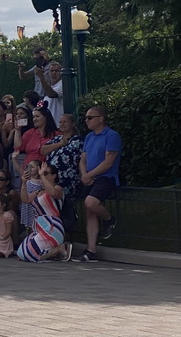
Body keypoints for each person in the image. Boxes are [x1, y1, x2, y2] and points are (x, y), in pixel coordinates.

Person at [79, 106, 123, 262]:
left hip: (106, 177)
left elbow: (108, 162)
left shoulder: (112, 136)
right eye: (86, 118)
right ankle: (91, 249)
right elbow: (83, 159)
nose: (87, 121)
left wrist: (89, 175)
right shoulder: (89, 137)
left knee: (91, 203)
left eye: (90, 117)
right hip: (90, 177)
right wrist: (85, 175)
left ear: (101, 118)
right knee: (89, 211)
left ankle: (109, 218)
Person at [17, 161, 70, 262]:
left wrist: (41, 175)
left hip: (52, 226)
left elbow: (53, 193)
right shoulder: (38, 192)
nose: (42, 175)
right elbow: (25, 199)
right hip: (39, 228)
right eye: (42, 173)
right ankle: (53, 251)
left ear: (54, 175)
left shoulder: (58, 188)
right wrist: (23, 183)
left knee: (29, 254)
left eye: (46, 173)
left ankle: (58, 249)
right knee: (20, 253)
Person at [41, 112, 83, 232]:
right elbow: (43, 150)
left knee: (62, 207)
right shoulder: (57, 138)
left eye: (65, 121)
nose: (62, 124)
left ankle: (64, 230)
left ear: (73, 123)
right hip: (51, 179)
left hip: (68, 180)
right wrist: (60, 144)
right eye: (60, 122)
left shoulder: (79, 141)